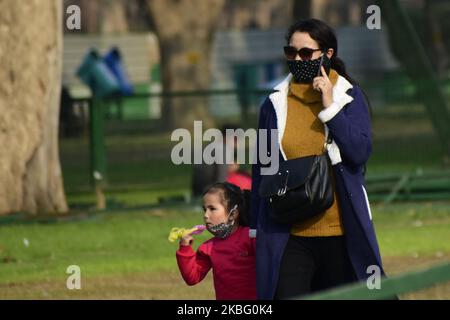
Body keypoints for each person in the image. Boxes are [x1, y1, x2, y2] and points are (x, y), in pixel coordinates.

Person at [250, 19, 386, 299]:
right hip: (288, 233)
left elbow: (359, 152)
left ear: (328, 54)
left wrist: (330, 107)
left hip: (341, 233)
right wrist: (254, 228)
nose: (297, 59)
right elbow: (262, 169)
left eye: (305, 53)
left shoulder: (348, 96)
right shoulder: (273, 103)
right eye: (291, 52)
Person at [176, 182, 257, 300]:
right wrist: (185, 248)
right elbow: (192, 278)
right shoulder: (208, 248)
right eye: (204, 209)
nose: (205, 215)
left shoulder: (251, 236)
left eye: (212, 209)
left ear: (233, 214)